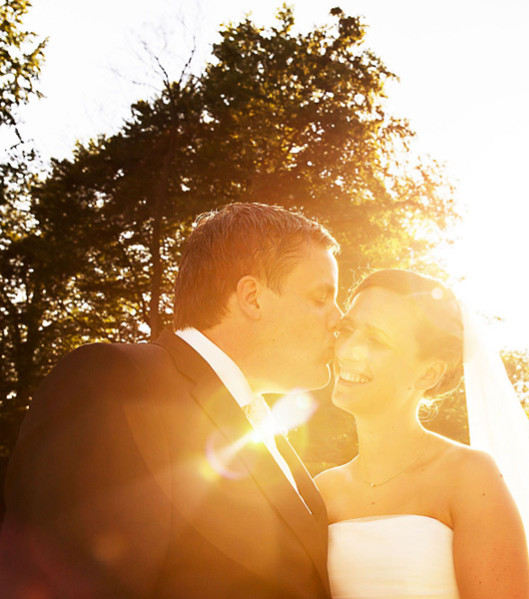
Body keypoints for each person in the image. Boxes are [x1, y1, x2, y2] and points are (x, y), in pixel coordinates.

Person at [0, 203, 341, 598]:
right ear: (252, 298)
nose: (339, 319)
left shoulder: (268, 434)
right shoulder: (118, 383)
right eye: (321, 297)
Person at [316, 269, 529, 599]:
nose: (348, 351)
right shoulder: (320, 490)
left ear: (429, 372)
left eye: (376, 340)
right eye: (347, 330)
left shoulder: (469, 477)